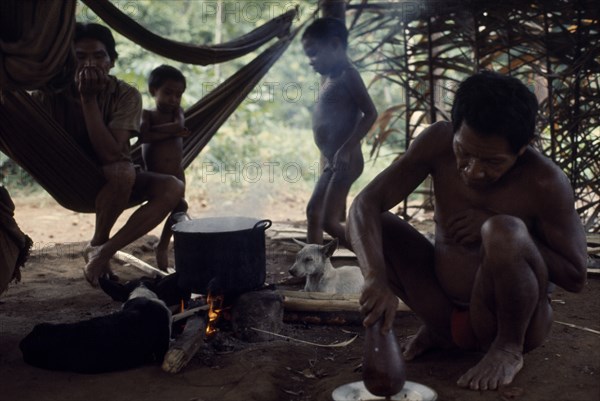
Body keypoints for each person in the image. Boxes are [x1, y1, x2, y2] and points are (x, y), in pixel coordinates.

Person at [347, 71, 588, 391]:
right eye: (465, 152)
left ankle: (506, 349)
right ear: (455, 130)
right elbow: (365, 204)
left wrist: (495, 224)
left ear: (522, 149)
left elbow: (575, 275)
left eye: (492, 161)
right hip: (443, 313)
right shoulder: (436, 142)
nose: (473, 170)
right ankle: (443, 335)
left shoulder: (544, 182)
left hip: (512, 323)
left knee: (504, 231)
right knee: (376, 226)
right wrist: (375, 277)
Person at [33, 23, 184, 287]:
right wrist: (85, 98)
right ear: (68, 63)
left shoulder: (125, 94)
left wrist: (88, 100)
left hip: (117, 179)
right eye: (80, 57)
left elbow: (112, 154)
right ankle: (101, 244)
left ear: (112, 61)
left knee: (172, 188)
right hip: (69, 180)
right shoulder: (48, 95)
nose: (90, 64)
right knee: (123, 172)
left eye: (99, 56)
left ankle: (102, 249)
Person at [301, 18, 377, 249]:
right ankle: (313, 268)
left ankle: (374, 259)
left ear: (335, 45)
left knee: (328, 221)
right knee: (314, 212)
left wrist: (346, 149)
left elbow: (371, 113)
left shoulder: (349, 75)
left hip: (346, 158)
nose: (310, 61)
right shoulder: (329, 77)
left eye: (314, 53)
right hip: (333, 159)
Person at [139, 65, 190, 271]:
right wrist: (173, 132)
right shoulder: (146, 114)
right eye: (168, 93)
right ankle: (159, 246)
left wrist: (162, 131)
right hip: (155, 176)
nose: (174, 99)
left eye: (178, 95)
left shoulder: (178, 112)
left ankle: (162, 245)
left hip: (177, 172)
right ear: (153, 91)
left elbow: (179, 126)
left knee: (181, 207)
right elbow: (144, 136)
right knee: (169, 208)